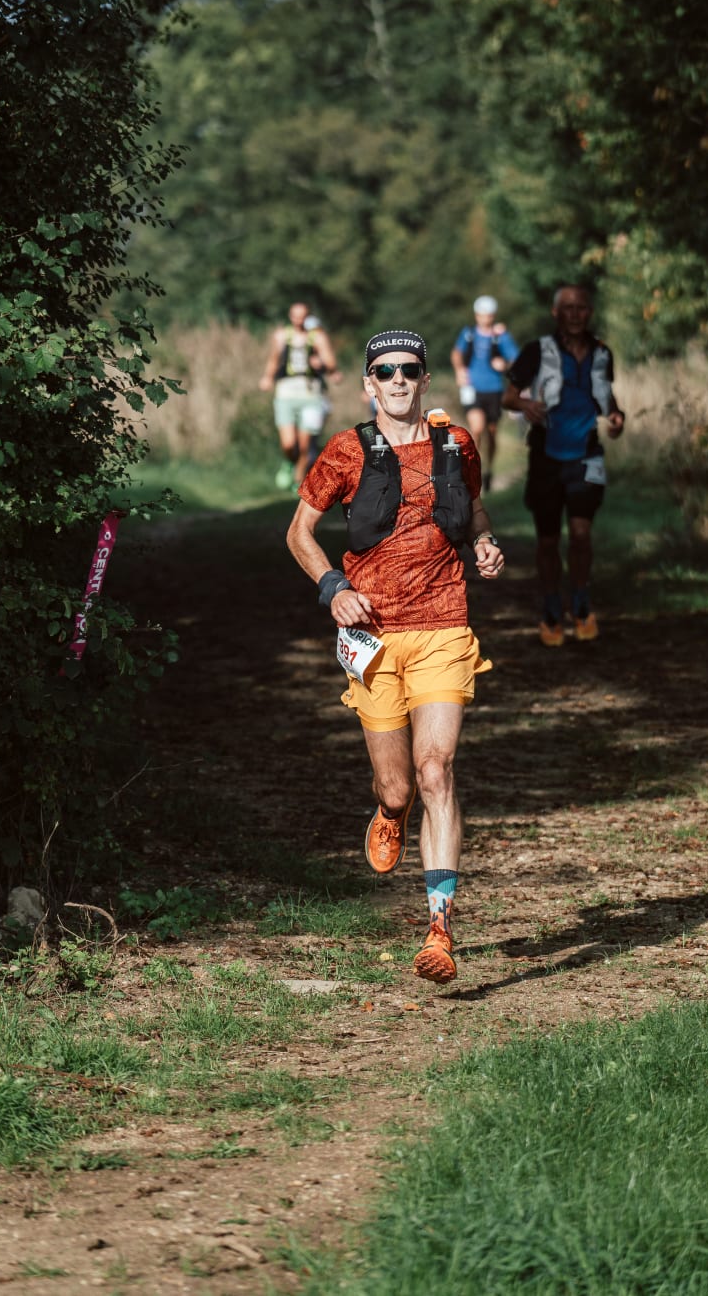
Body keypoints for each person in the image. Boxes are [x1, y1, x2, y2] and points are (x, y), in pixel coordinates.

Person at [286, 329, 505, 984]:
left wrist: (485, 542)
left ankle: (440, 929)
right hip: (373, 637)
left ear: (426, 379)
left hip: (443, 625)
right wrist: (334, 588)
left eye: (409, 369)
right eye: (385, 371)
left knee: (436, 770)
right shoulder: (346, 450)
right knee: (399, 785)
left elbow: (475, 510)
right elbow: (299, 532)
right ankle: (389, 812)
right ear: (368, 385)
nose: (398, 380)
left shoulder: (456, 443)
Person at [502, 282, 625, 646]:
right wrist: (526, 405)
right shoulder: (537, 351)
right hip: (546, 455)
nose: (575, 314)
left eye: (581, 307)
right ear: (556, 313)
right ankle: (552, 608)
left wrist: (616, 417)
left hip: (587, 455)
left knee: (582, 534)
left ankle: (582, 604)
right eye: (567, 308)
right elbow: (508, 397)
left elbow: (606, 395)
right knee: (548, 540)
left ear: (589, 312)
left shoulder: (602, 352)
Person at [259, 302, 341, 490]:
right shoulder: (281, 336)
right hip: (285, 392)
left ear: (307, 317)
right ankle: (289, 462)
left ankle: (298, 481)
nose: (299, 319)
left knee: (305, 445)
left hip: (310, 393)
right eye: (295, 315)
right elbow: (274, 359)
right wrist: (267, 378)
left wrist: (322, 363)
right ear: (290, 316)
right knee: (288, 444)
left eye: (302, 316)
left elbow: (330, 362)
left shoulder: (317, 337)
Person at [450, 294, 520, 491]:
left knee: (492, 432)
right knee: (477, 428)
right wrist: (459, 371)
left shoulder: (501, 336)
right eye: (481, 315)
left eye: (488, 315)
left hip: (494, 389)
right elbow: (456, 353)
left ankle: (489, 469)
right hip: (472, 388)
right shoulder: (469, 334)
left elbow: (517, 359)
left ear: (493, 315)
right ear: (476, 315)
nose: (485, 319)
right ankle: (472, 470)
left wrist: (504, 364)